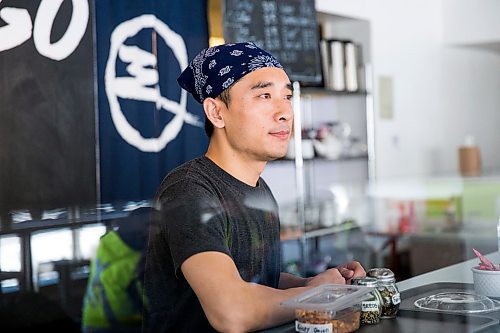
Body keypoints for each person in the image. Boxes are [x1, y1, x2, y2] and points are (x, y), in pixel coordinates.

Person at [143, 41, 366, 333]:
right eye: (264, 95)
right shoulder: (190, 191)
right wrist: (315, 296)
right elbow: (232, 312)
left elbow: (257, 280)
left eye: (287, 96)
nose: (285, 111)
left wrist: (310, 282)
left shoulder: (260, 190)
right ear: (217, 112)